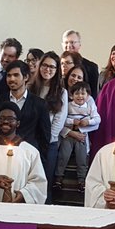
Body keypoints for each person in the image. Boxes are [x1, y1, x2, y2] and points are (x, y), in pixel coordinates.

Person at [0, 102, 47, 203]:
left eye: (10, 119)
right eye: (1, 118)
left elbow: (39, 183)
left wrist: (24, 194)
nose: (5, 121)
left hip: (18, 207)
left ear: (18, 123)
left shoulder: (30, 152)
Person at [0, 60, 51, 153]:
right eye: (9, 75)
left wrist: (40, 157)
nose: (11, 79)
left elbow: (45, 136)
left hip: (28, 154)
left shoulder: (39, 104)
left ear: (26, 77)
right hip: (1, 152)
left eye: (16, 75)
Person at [34, 51, 68, 196]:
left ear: (57, 70)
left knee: (45, 183)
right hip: (31, 140)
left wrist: (47, 139)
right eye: (45, 65)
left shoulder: (61, 92)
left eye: (52, 67)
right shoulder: (30, 87)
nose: (47, 69)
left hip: (50, 143)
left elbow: (59, 120)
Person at [55, 81, 100, 191]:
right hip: (68, 135)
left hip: (82, 136)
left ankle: (82, 181)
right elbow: (62, 120)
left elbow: (97, 119)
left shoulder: (89, 107)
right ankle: (58, 178)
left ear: (88, 96)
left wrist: (88, 122)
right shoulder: (69, 106)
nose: (80, 96)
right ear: (71, 95)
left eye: (83, 94)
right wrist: (72, 121)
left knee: (82, 158)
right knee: (63, 156)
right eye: (77, 93)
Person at [62, 29, 100, 97]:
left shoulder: (91, 67)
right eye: (66, 42)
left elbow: (94, 94)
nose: (69, 45)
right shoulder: (58, 64)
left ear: (79, 45)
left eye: (72, 42)